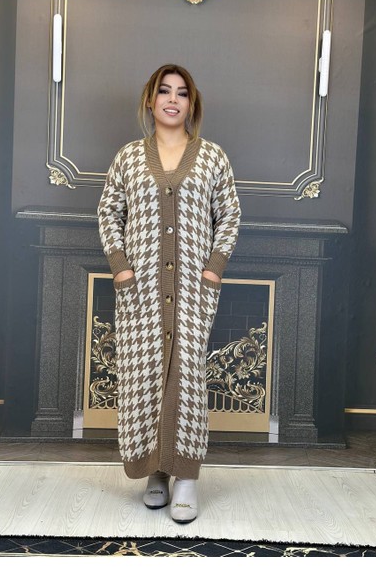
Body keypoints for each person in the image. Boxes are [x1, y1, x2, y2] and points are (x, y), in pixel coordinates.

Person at [97, 64, 241, 524]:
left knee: (188, 377)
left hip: (194, 291)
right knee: (143, 377)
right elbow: (108, 213)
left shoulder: (213, 157)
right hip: (139, 290)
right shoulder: (128, 157)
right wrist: (121, 267)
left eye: (182, 92)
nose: (173, 99)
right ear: (150, 100)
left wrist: (213, 270)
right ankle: (155, 472)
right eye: (164, 91)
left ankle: (187, 477)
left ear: (191, 103)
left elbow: (229, 216)